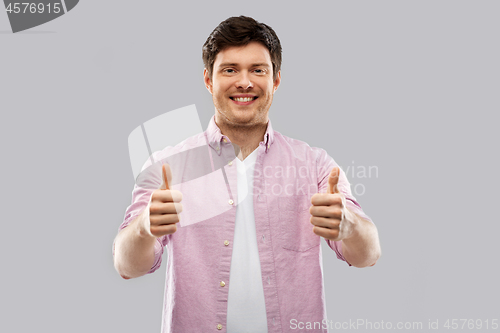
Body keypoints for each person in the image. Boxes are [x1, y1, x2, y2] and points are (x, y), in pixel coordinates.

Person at [113, 16, 381, 333]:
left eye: (258, 70)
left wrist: (348, 225)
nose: (244, 82)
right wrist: (145, 227)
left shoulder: (316, 165)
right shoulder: (167, 166)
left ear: (276, 79)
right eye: (230, 70)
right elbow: (126, 265)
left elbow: (368, 255)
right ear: (208, 80)